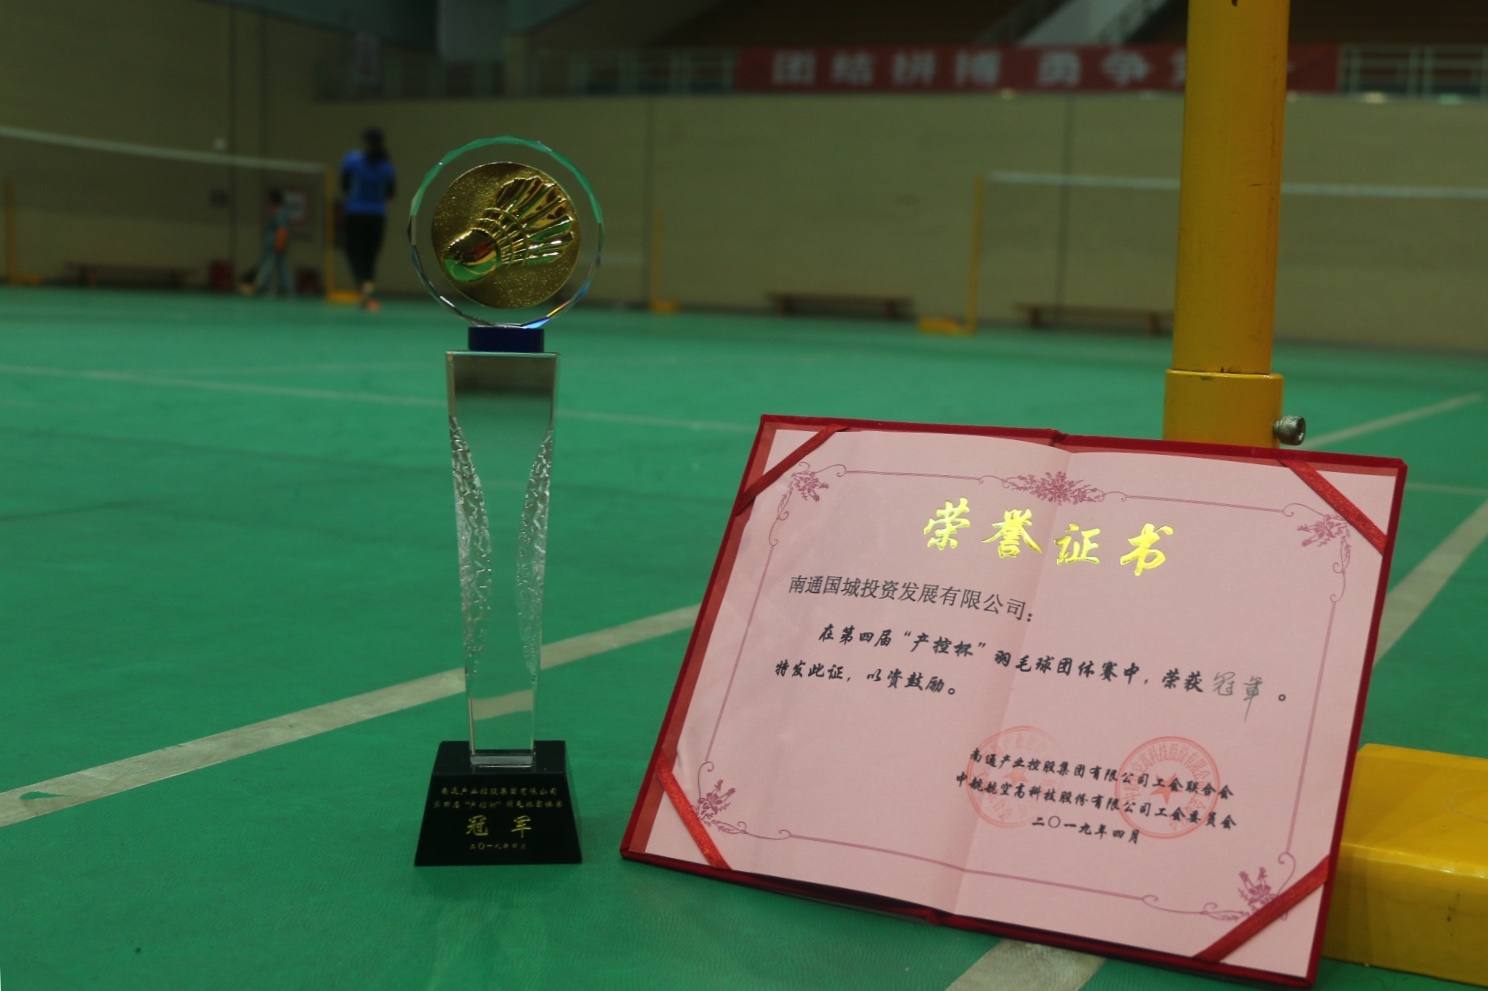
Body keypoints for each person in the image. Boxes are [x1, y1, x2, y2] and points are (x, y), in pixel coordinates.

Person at [340, 127, 396, 311]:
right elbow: (391, 193)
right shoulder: (386, 165)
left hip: (355, 212)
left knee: (353, 251)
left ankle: (361, 283)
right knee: (370, 255)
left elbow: (344, 185)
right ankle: (368, 284)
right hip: (377, 215)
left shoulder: (352, 160)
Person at [244, 189, 291, 297]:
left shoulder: (281, 213)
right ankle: (286, 289)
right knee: (279, 267)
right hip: (270, 245)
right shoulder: (275, 213)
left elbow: (282, 230)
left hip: (275, 246)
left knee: (267, 267)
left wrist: (279, 245)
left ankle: (269, 288)